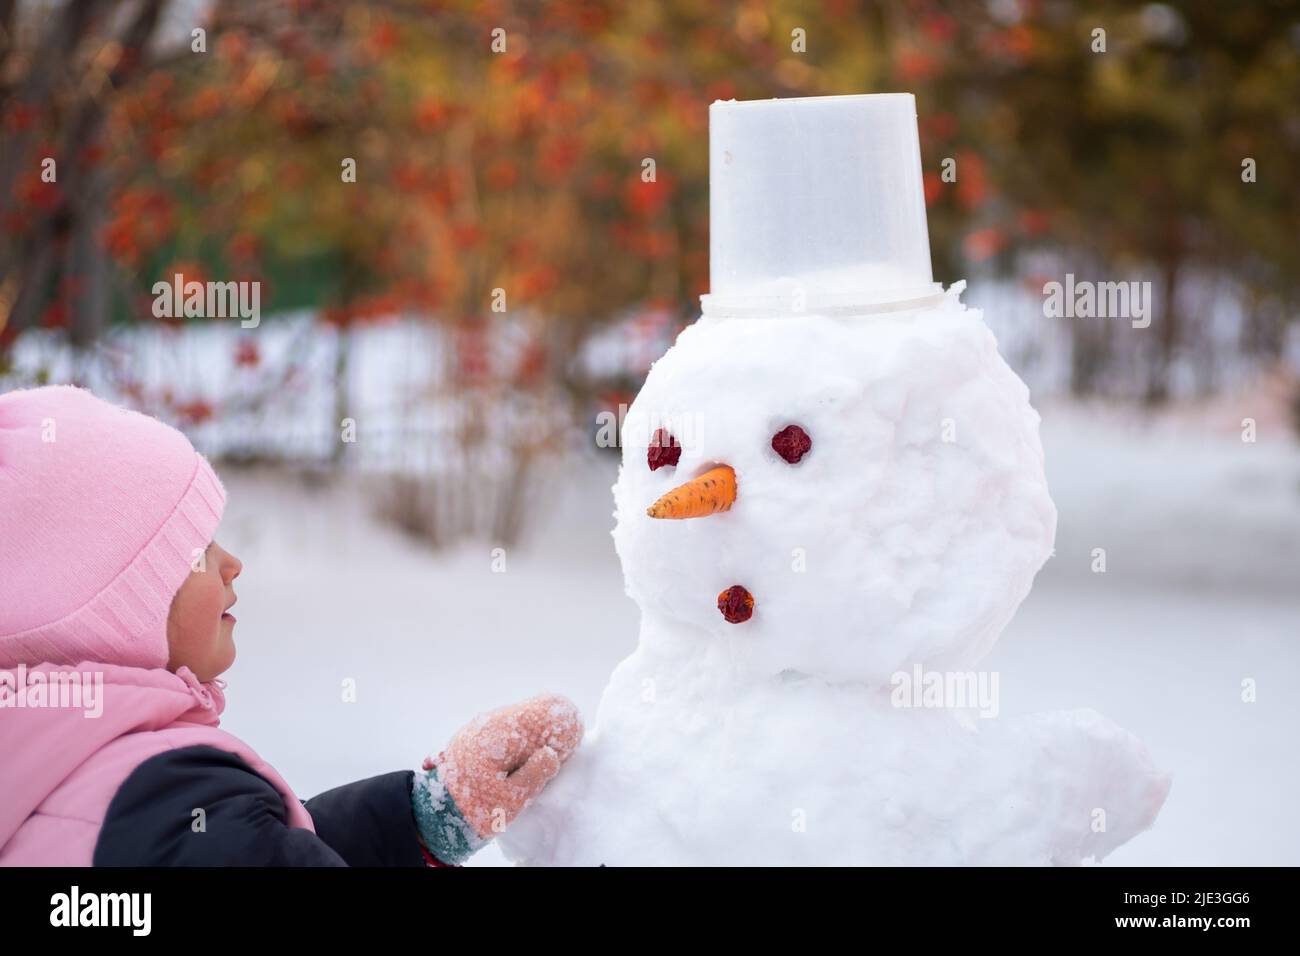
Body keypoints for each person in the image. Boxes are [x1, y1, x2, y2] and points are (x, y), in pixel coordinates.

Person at [0, 385, 582, 866]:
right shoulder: (175, 797)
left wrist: (422, 818)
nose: (231, 562)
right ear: (116, 609)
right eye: (197, 550)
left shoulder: (59, 776)